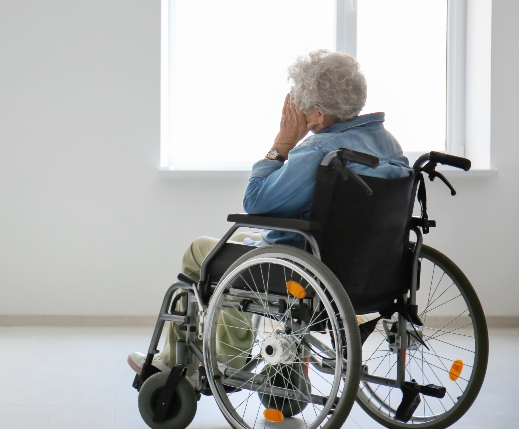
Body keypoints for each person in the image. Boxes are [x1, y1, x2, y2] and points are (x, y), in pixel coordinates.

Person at [128, 49, 411, 389]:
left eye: (300, 107)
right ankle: (283, 371)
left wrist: (283, 143)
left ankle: (209, 360)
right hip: (370, 273)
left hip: (303, 269)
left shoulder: (317, 151)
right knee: (244, 248)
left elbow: (256, 202)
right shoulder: (387, 143)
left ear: (317, 115)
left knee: (201, 253)